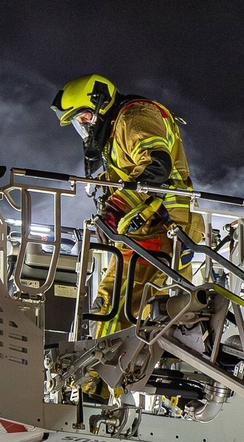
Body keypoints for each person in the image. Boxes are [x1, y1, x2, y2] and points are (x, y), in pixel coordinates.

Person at [52, 74, 204, 336]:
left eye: (85, 116)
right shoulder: (118, 126)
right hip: (148, 227)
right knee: (126, 307)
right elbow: (132, 172)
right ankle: (105, 370)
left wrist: (116, 208)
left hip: (163, 226)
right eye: (79, 122)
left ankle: (99, 373)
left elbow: (156, 167)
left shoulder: (134, 117)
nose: (84, 126)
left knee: (116, 305)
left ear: (102, 102)